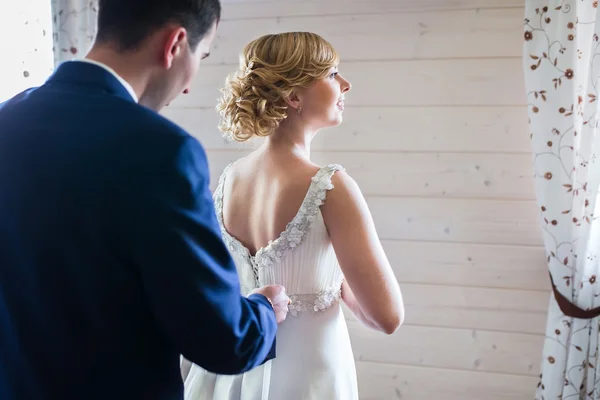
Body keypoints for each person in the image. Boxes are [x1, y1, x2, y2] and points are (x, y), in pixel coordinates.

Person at [0, 1, 290, 399]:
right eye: (201, 57)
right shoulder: (163, 151)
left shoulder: (6, 120)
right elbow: (224, 339)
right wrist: (263, 313)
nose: (188, 85)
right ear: (174, 43)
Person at [182, 32, 405, 400]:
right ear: (294, 96)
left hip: (233, 372)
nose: (346, 84)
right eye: (333, 74)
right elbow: (387, 317)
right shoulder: (331, 186)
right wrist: (336, 275)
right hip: (308, 377)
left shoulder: (228, 180)